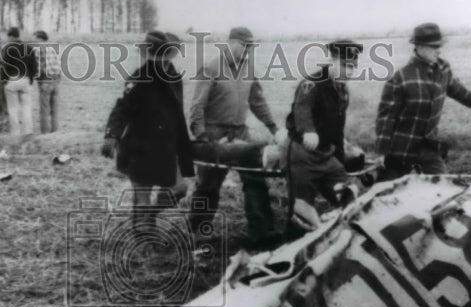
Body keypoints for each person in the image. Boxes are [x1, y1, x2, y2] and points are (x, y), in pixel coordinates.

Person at [187, 26, 282, 245]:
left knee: (255, 176)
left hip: (240, 131)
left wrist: (274, 128)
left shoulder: (248, 68)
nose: (247, 50)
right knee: (209, 183)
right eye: (244, 45)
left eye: (250, 46)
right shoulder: (211, 67)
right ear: (230, 43)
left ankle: (261, 231)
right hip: (214, 132)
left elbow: (258, 101)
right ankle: (199, 229)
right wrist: (202, 137)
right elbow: (197, 106)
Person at [101, 30, 195, 236]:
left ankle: (150, 216)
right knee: (142, 196)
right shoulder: (139, 77)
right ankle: (142, 236)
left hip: (166, 147)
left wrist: (183, 144)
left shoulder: (174, 77)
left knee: (179, 189)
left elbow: (177, 112)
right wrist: (112, 135)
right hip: (140, 147)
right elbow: (121, 108)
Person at [375, 22, 471, 178]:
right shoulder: (401, 78)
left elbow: (453, 87)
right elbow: (386, 118)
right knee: (385, 191)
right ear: (419, 47)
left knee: (444, 185)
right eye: (434, 47)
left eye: (439, 46)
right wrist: (382, 152)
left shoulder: (443, 68)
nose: (439, 50)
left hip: (428, 145)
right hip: (401, 147)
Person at [283, 40, 364, 226]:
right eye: (345, 66)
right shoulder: (311, 84)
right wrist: (308, 131)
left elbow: (338, 129)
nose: (350, 72)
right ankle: (296, 246)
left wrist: (340, 160)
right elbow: (301, 110)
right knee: (301, 209)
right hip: (302, 153)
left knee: (348, 192)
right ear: (332, 61)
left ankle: (344, 230)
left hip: (326, 153)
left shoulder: (343, 90)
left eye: (353, 67)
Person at [0, 26, 37, 141]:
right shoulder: (29, 48)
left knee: (13, 109)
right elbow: (34, 66)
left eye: (8, 36)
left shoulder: (8, 48)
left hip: (12, 80)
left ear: (11, 36)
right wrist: (31, 79)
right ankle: (28, 132)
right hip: (25, 80)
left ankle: (15, 133)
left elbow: (4, 66)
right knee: (26, 107)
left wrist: (4, 80)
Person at [32, 29, 61, 133]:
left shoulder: (37, 49)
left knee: (44, 109)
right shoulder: (53, 48)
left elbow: (40, 68)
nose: (33, 40)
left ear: (39, 38)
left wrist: (36, 78)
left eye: (34, 37)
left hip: (45, 81)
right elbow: (59, 64)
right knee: (54, 109)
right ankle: (55, 131)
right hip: (55, 80)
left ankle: (45, 133)